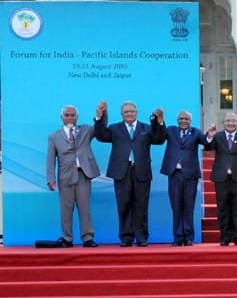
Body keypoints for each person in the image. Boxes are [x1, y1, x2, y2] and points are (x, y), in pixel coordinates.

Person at [94, 100, 166, 247]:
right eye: (126, 112)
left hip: (141, 171)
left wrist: (159, 122)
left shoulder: (146, 128)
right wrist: (100, 116)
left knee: (141, 205)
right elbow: (100, 136)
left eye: (132, 111)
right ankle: (126, 237)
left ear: (137, 113)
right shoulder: (114, 129)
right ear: (121, 114)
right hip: (122, 172)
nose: (129, 114)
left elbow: (159, 140)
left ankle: (141, 237)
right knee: (124, 205)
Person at [45, 105, 101, 248]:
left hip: (83, 174)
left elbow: (100, 128)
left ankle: (88, 238)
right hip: (65, 177)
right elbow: (50, 159)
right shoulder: (54, 136)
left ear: (77, 117)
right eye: (67, 115)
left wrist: (100, 115)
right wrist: (50, 179)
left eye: (72, 115)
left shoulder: (86, 130)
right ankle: (67, 238)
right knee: (66, 209)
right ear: (61, 117)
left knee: (85, 208)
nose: (70, 117)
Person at [204, 112, 237, 246]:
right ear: (224, 122)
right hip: (221, 178)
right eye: (228, 121)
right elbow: (208, 147)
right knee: (223, 208)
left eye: (233, 121)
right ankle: (225, 236)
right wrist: (209, 136)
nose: (231, 123)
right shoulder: (218, 136)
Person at [160, 111, 207, 246]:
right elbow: (159, 136)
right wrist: (160, 121)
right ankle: (178, 237)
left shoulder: (196, 132)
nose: (183, 121)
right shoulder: (171, 130)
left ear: (190, 120)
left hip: (190, 175)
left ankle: (188, 237)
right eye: (181, 118)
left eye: (186, 119)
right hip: (174, 174)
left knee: (189, 206)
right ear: (177, 120)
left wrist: (209, 136)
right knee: (176, 206)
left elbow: (207, 144)